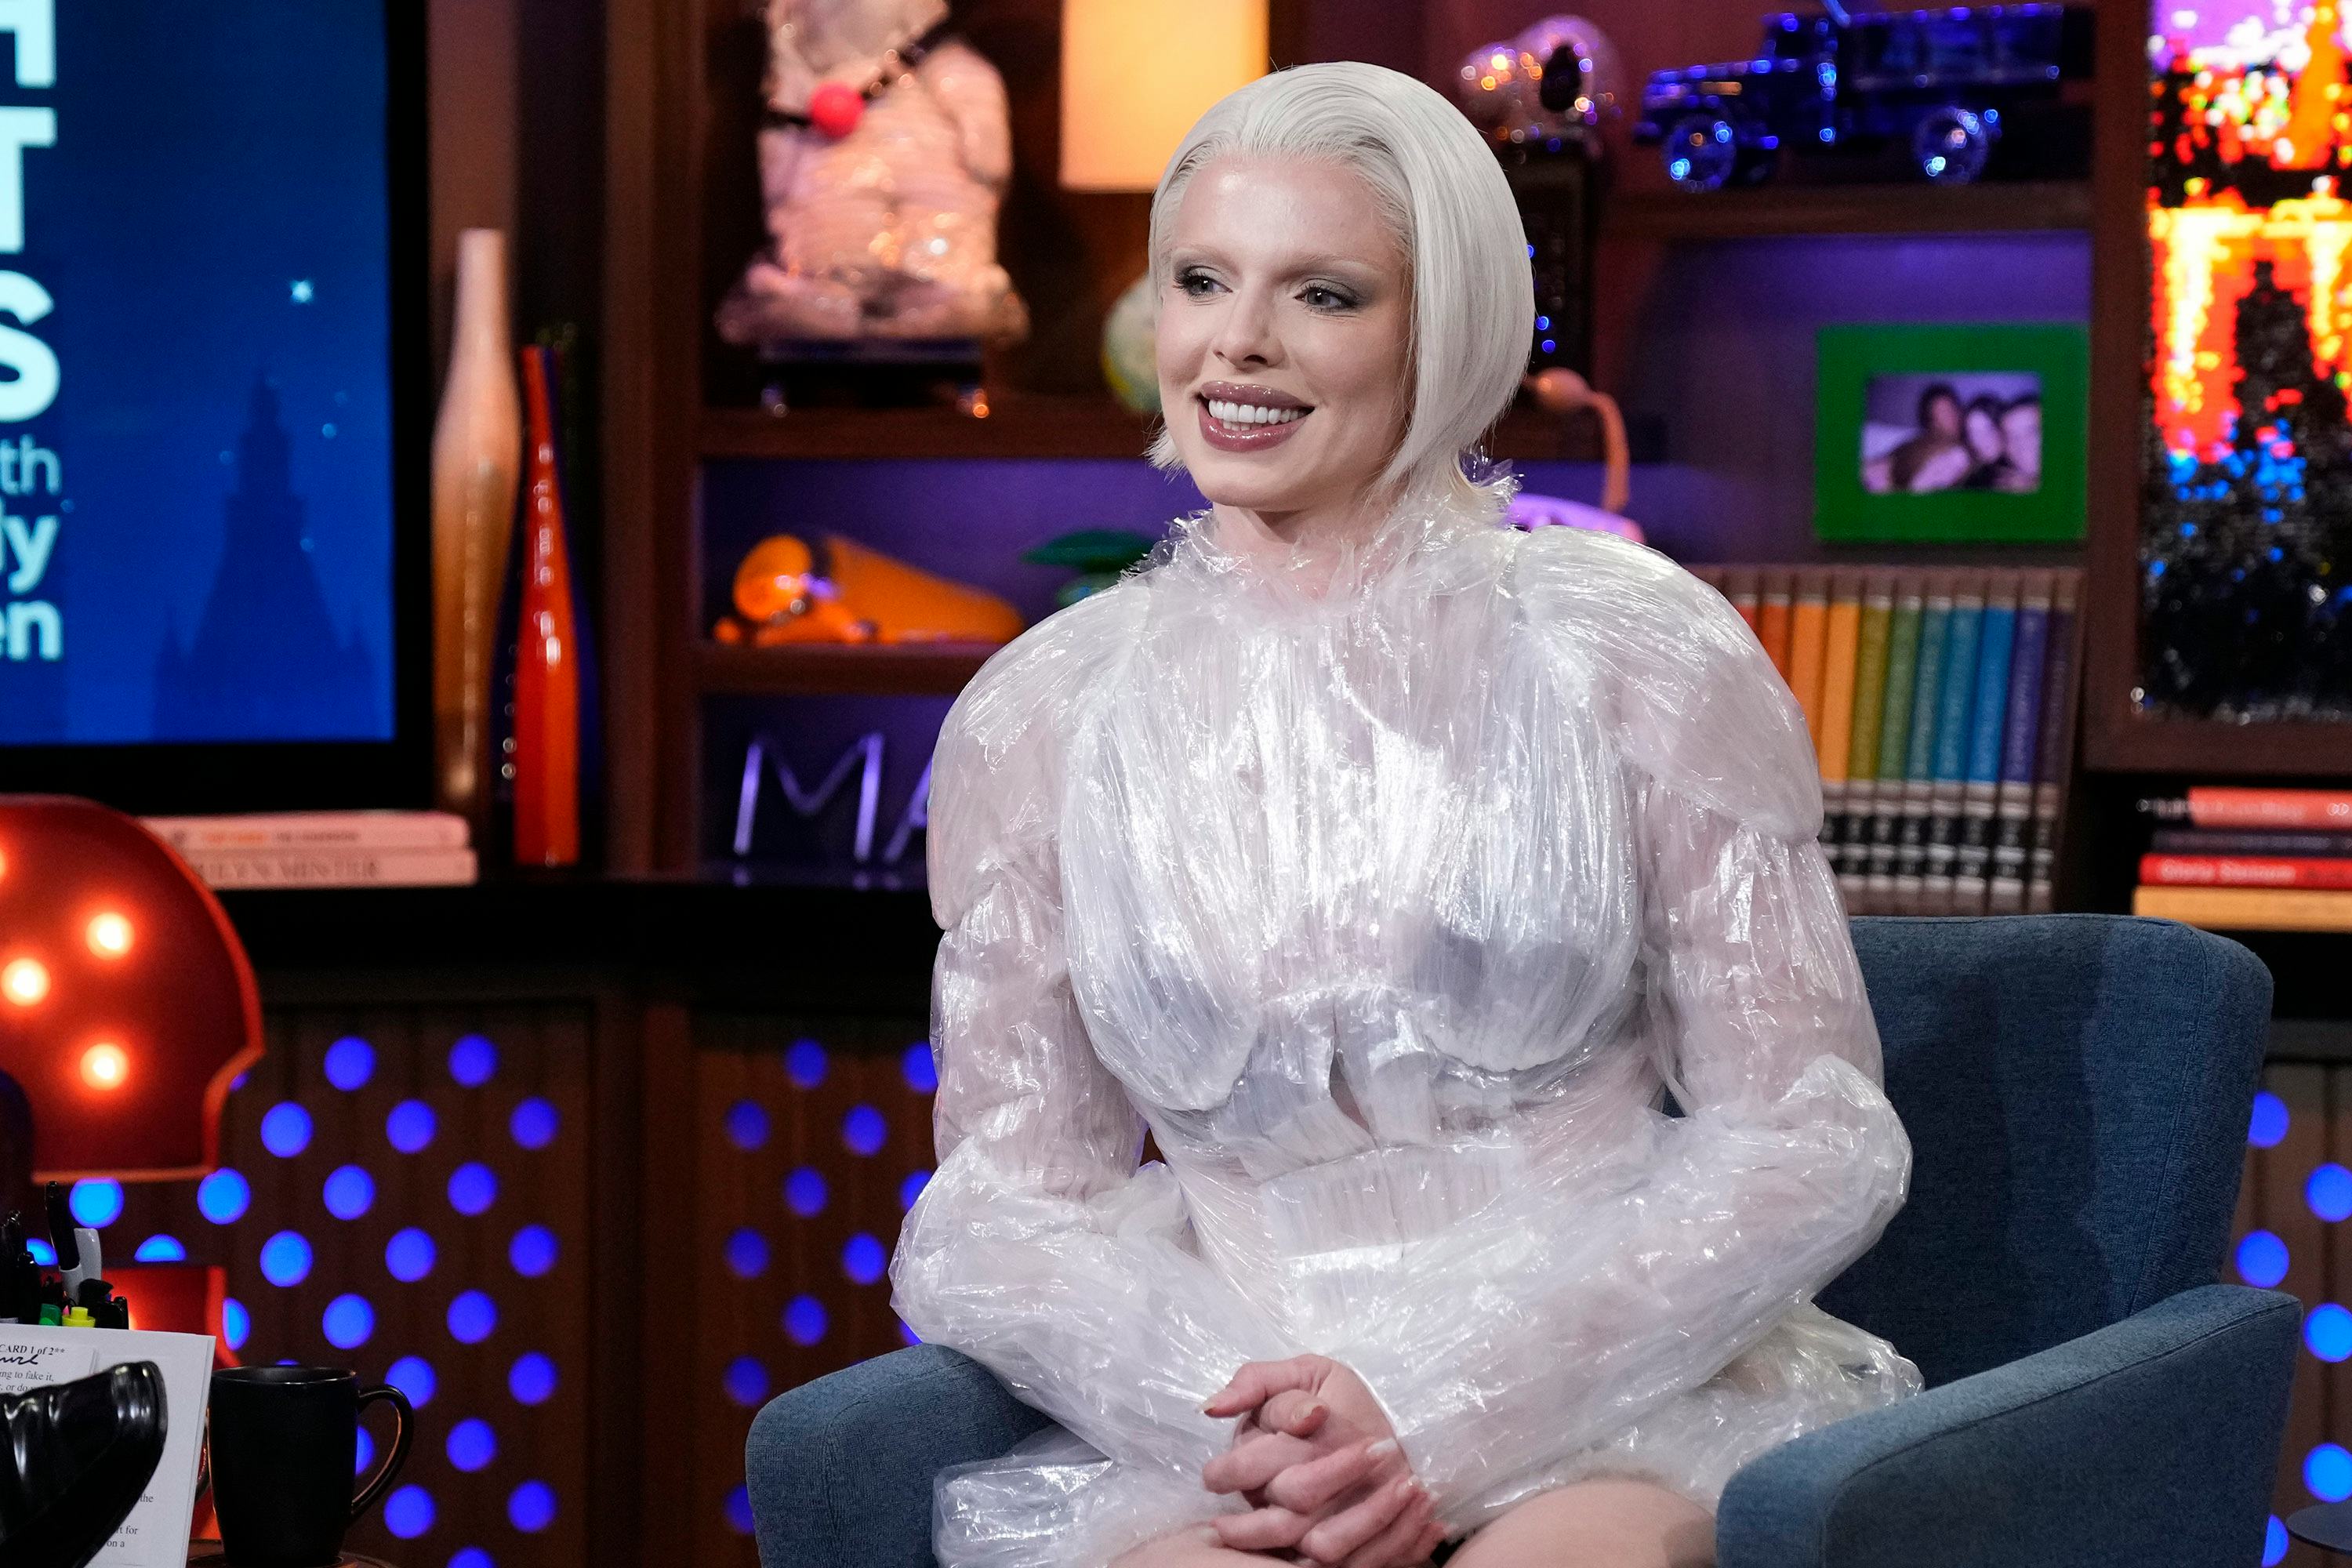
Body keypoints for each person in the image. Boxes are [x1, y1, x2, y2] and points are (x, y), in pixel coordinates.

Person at [887, 61, 1917, 1568]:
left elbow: (1813, 1136)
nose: (1239, 340)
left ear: (1444, 334)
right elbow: (997, 1211)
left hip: (1613, 1406)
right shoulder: (1040, 718)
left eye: (1324, 294)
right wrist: (1247, 1428)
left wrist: (1436, 1414)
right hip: (1234, 1437)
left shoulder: (1635, 647)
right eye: (1202, 280)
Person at [1882, 382, 1964, 492]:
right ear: (1933, 422)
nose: (1952, 415)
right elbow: (1887, 461)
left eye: (1952, 408)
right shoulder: (1918, 443)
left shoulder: (1967, 442)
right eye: (1943, 412)